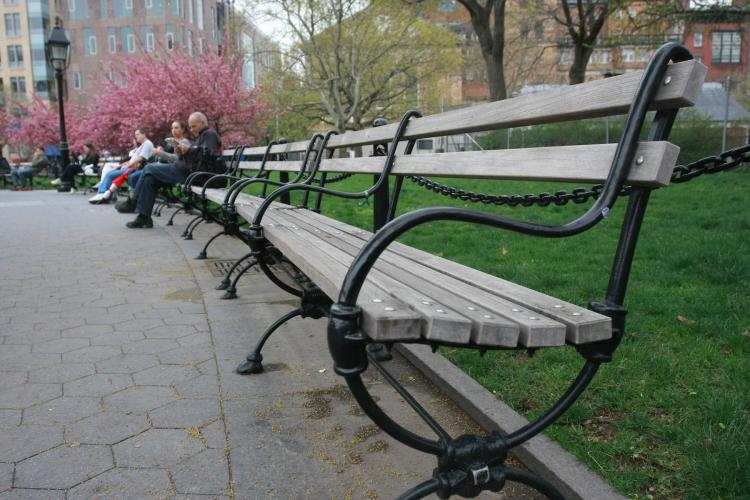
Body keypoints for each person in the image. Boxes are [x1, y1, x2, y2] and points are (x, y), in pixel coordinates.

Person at [126, 112, 221, 229]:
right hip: (187, 171)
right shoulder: (201, 136)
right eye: (190, 126)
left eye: (193, 126)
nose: (191, 129)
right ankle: (144, 218)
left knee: (149, 168)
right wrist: (182, 153)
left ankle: (133, 201)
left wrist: (189, 150)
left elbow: (209, 155)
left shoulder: (209, 134)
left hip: (193, 174)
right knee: (150, 178)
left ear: (202, 123)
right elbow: (198, 155)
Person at [115, 119, 191, 214]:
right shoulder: (171, 141)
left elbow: (177, 159)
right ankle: (135, 203)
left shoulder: (184, 142)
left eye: (176, 128)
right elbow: (167, 155)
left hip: (172, 170)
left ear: (183, 129)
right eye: (172, 128)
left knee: (139, 175)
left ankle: (134, 202)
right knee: (140, 177)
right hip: (163, 166)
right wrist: (161, 150)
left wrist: (160, 153)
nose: (173, 130)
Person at [89, 128, 153, 204]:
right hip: (131, 167)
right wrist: (122, 165)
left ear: (144, 134)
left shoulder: (147, 143)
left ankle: (102, 194)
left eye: (137, 134)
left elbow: (141, 158)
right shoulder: (143, 145)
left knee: (110, 174)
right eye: (135, 135)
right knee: (110, 173)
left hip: (135, 169)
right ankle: (104, 194)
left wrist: (128, 165)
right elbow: (133, 159)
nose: (136, 137)